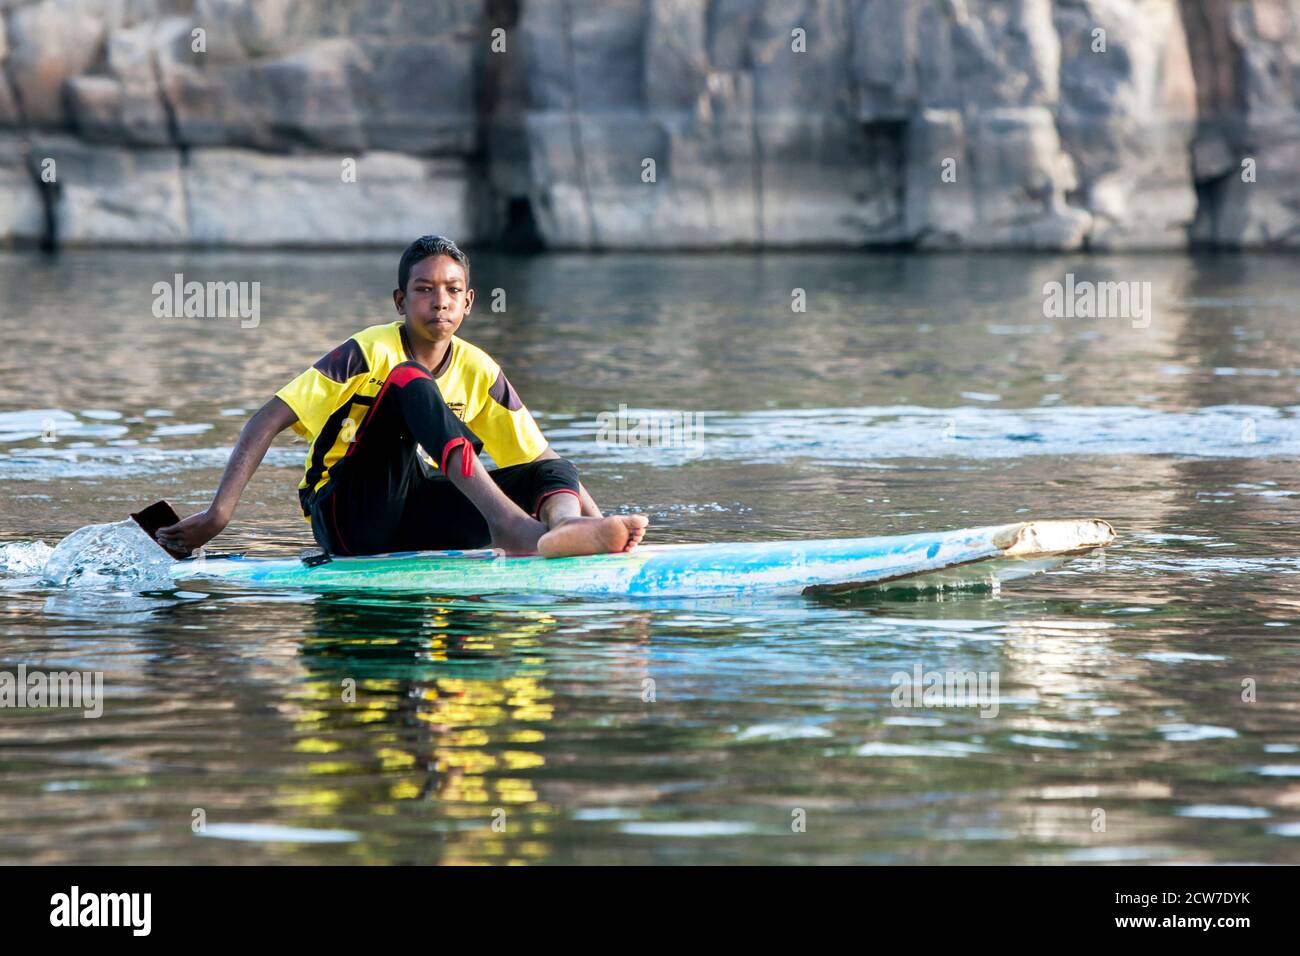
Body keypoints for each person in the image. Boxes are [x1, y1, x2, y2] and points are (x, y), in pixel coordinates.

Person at [158, 235, 648, 558]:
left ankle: (561, 532)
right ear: (400, 300)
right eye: (424, 289)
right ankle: (513, 528)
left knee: (548, 466)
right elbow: (265, 420)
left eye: (453, 290)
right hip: (348, 519)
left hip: (416, 516)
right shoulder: (367, 352)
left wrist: (602, 527)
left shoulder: (480, 369)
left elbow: (543, 460)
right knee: (408, 378)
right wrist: (218, 515)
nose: (440, 300)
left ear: (468, 302)